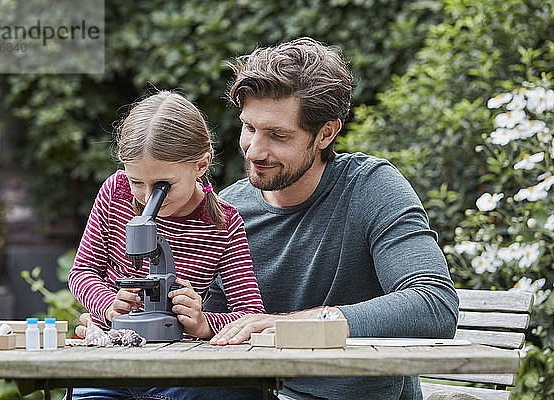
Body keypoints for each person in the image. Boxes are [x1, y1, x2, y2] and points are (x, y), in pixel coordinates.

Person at [203, 37, 459, 400]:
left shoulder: (370, 188)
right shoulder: (226, 208)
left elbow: (433, 306)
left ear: (326, 132)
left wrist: (297, 325)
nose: (255, 150)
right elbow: (206, 329)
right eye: (249, 128)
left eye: (278, 135)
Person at [69, 91, 272, 399]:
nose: (147, 197)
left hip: (177, 371)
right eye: (137, 182)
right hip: (109, 362)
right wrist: (108, 304)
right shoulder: (115, 192)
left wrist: (203, 322)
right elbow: (82, 272)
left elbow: (250, 314)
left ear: (201, 165)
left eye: (163, 186)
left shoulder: (223, 223)